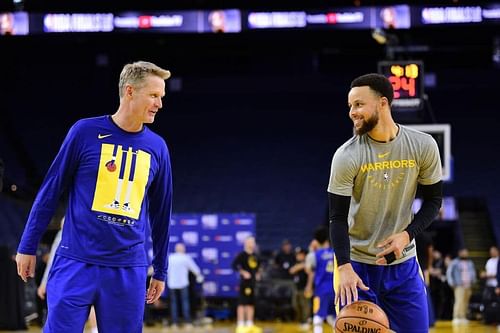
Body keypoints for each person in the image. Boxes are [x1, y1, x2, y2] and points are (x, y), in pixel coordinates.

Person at [15, 61, 173, 333]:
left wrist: (160, 269)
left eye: (161, 97)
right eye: (154, 95)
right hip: (75, 261)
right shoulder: (84, 132)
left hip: (127, 268)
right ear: (130, 92)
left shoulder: (158, 147)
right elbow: (51, 190)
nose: (159, 103)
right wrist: (27, 245)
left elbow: (161, 214)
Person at [328, 73, 443, 333]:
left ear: (383, 103)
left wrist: (407, 234)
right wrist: (343, 266)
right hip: (356, 267)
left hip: (403, 265)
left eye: (358, 104)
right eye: (350, 106)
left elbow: (434, 201)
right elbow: (336, 218)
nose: (352, 112)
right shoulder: (346, 156)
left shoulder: (423, 146)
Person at [304, 226, 336, 333]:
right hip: (335, 290)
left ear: (316, 241)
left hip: (321, 291)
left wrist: (308, 287)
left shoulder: (313, 255)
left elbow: (309, 271)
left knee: (318, 317)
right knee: (334, 318)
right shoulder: (335, 253)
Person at [167, 242, 204, 329]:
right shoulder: (185, 258)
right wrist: (199, 276)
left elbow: (165, 270)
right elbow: (195, 269)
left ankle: (174, 323)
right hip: (183, 283)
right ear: (182, 249)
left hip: (172, 284)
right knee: (185, 303)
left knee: (174, 303)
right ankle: (187, 322)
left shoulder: (170, 258)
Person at [232, 236, 262, 333]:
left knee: (251, 303)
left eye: (253, 242)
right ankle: (241, 324)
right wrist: (243, 272)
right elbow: (234, 265)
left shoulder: (255, 255)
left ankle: (250, 323)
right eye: (250, 242)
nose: (252, 244)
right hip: (244, 283)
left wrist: (257, 274)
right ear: (246, 243)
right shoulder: (242, 255)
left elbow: (258, 267)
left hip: (253, 283)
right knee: (242, 303)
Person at [446, 248, 477, 325]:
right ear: (459, 253)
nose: (465, 253)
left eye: (466, 252)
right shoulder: (455, 262)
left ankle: (463, 317)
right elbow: (449, 272)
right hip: (459, 284)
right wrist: (451, 282)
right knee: (459, 301)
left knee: (466, 302)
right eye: (463, 252)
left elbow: (473, 272)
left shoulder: (470, 262)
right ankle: (456, 317)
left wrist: (473, 281)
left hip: (468, 285)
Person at [289, 247, 311, 331]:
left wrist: (309, 286)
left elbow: (310, 273)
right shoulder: (295, 263)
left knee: (305, 305)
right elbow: (291, 270)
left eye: (300, 254)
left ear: (304, 255)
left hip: (304, 288)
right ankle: (302, 320)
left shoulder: (307, 263)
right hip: (296, 288)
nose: (298, 256)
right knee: (295, 305)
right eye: (297, 254)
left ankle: (306, 321)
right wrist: (299, 266)